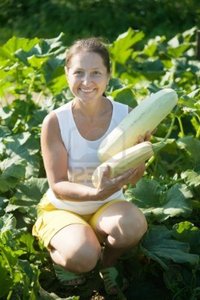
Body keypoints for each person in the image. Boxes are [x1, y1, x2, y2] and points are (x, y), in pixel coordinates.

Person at [33, 37, 150, 295]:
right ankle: (64, 246)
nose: (87, 82)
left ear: (108, 75)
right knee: (84, 257)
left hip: (108, 206)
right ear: (67, 74)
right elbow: (59, 185)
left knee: (133, 226)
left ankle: (108, 263)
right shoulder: (55, 122)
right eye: (79, 73)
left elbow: (133, 180)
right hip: (63, 207)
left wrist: (141, 155)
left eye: (96, 73)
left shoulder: (127, 116)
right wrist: (96, 192)